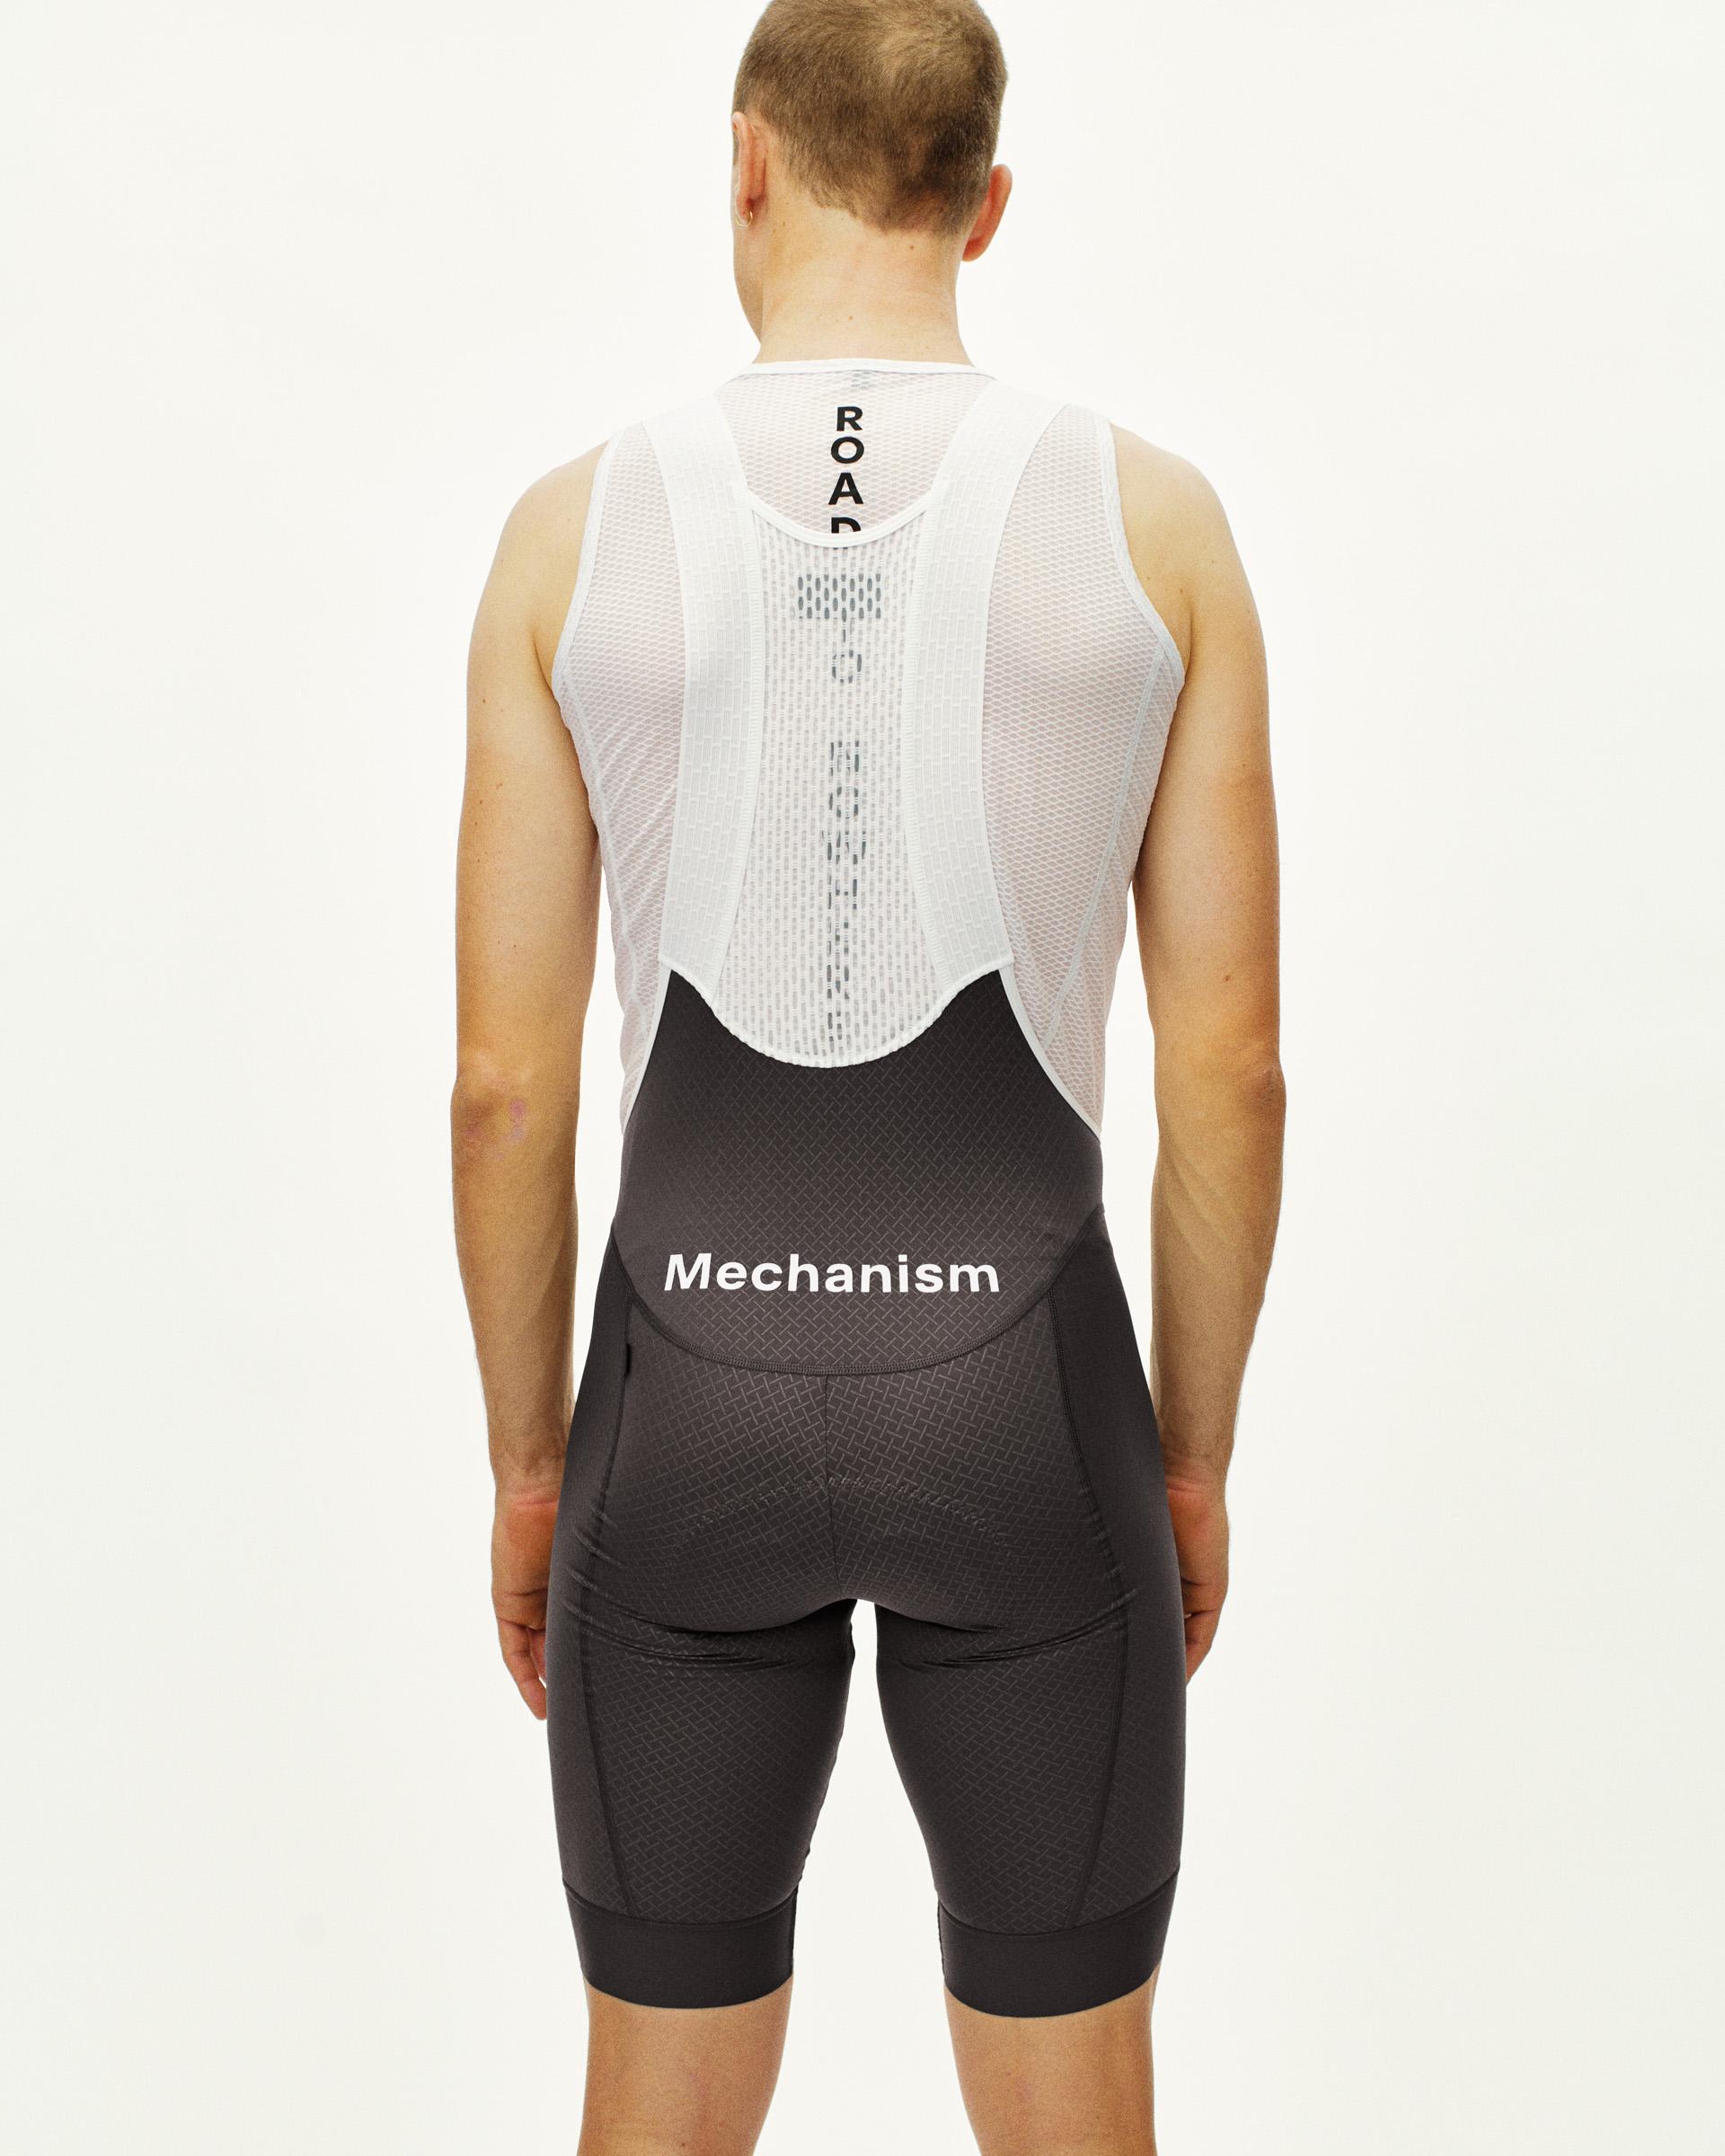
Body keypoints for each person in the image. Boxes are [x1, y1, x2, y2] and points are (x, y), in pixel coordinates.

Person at [452, 2, 1283, 2147]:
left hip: (682, 1391)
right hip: (1029, 1407)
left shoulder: (567, 538)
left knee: (656, 2106)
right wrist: (1185, 1458)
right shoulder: (1160, 530)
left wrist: (535, 1467)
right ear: (986, 203)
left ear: (746, 162)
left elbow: (503, 1089)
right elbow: (1234, 1071)